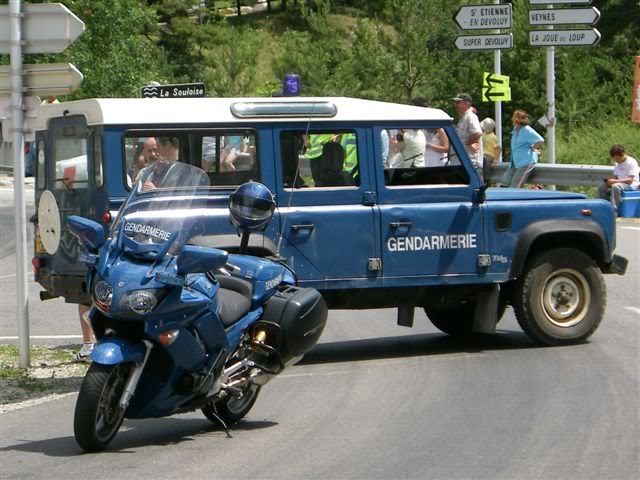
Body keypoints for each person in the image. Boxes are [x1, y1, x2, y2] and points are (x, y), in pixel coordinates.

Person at [498, 110, 544, 188]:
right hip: (514, 162)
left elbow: (540, 140)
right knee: (504, 183)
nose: (512, 119)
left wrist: (533, 148)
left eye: (514, 117)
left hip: (525, 162)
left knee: (514, 187)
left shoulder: (527, 130)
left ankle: (512, 199)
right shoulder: (515, 130)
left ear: (518, 119)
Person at [598, 144, 639, 213]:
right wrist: (610, 181)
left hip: (631, 184)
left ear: (622, 154)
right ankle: (603, 208)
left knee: (615, 187)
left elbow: (630, 180)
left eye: (617, 159)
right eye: (614, 159)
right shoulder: (617, 163)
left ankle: (614, 210)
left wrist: (615, 181)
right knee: (602, 187)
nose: (616, 161)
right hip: (620, 182)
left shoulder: (631, 162)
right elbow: (616, 176)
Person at [410, 97, 449, 167]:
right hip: (425, 163)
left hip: (438, 164)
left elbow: (446, 148)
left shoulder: (439, 129)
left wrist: (429, 145)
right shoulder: (421, 128)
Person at [453, 93, 483, 179]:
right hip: (461, 161)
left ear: (467, 104)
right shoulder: (462, 117)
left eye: (458, 102)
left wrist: (469, 142)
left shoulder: (471, 117)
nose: (455, 105)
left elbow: (477, 132)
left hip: (469, 162)